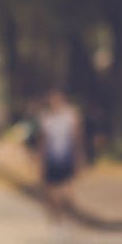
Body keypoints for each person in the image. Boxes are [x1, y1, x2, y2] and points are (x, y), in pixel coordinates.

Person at [34, 89, 84, 229]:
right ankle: (57, 220)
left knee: (67, 192)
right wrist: (40, 162)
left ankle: (65, 217)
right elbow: (42, 143)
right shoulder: (46, 119)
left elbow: (77, 139)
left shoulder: (71, 116)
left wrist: (79, 159)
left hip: (66, 158)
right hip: (51, 160)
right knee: (51, 193)